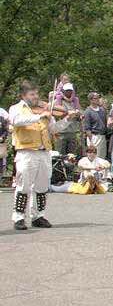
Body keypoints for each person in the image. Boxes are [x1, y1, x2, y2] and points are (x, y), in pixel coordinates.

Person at [8, 80, 68, 230]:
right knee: (24, 185)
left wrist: (67, 120)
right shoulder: (16, 109)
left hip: (44, 152)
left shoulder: (44, 110)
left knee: (42, 186)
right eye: (32, 94)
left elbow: (53, 129)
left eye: (36, 94)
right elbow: (16, 121)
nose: (36, 97)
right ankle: (19, 217)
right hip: (26, 151)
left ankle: (38, 216)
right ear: (23, 95)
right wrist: (39, 117)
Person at [55, 82, 82, 156]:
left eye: (70, 90)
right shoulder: (59, 101)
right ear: (63, 91)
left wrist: (78, 115)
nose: (69, 92)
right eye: (67, 90)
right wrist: (67, 113)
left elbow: (79, 117)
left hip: (72, 132)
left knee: (71, 155)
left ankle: (70, 167)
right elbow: (55, 114)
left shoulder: (75, 102)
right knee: (60, 154)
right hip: (61, 132)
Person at [84, 92, 108, 159]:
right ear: (91, 100)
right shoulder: (88, 111)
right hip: (94, 136)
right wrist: (91, 141)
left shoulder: (102, 110)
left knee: (102, 158)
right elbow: (87, 128)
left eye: (98, 98)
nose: (98, 99)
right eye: (95, 98)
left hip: (102, 136)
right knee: (94, 157)